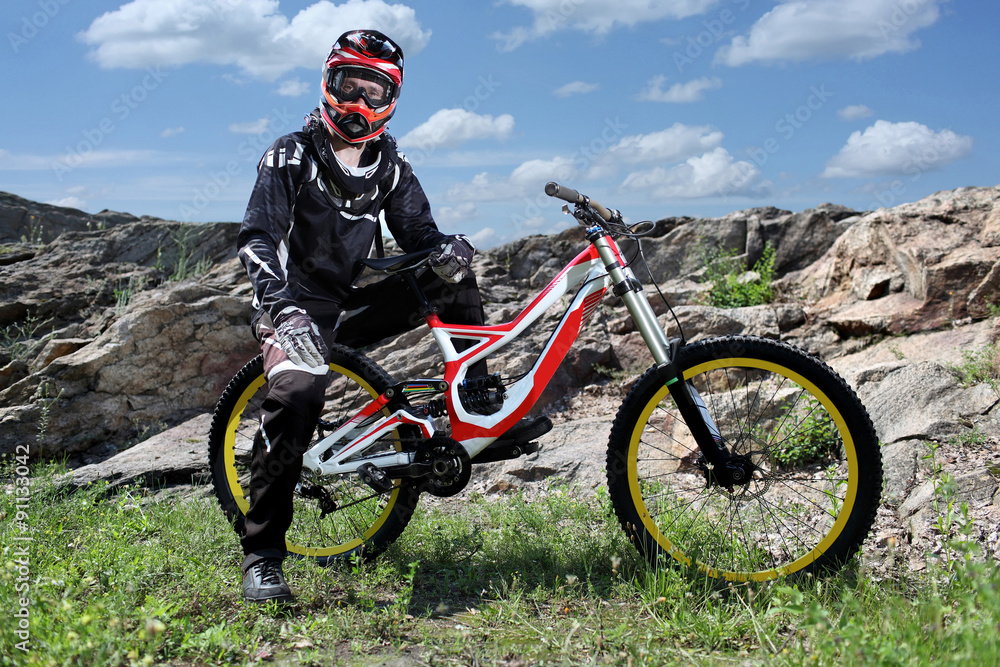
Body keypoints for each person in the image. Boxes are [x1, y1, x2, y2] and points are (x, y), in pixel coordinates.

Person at [235, 29, 548, 604]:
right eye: (345, 87)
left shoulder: (391, 166)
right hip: (293, 306)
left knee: (455, 275)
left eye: (371, 92)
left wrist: (448, 250)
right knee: (297, 399)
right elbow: (257, 240)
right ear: (326, 84)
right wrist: (281, 311)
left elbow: (421, 236)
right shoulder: (291, 153)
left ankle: (476, 405)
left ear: (392, 98)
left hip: (354, 297)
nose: (357, 104)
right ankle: (262, 556)